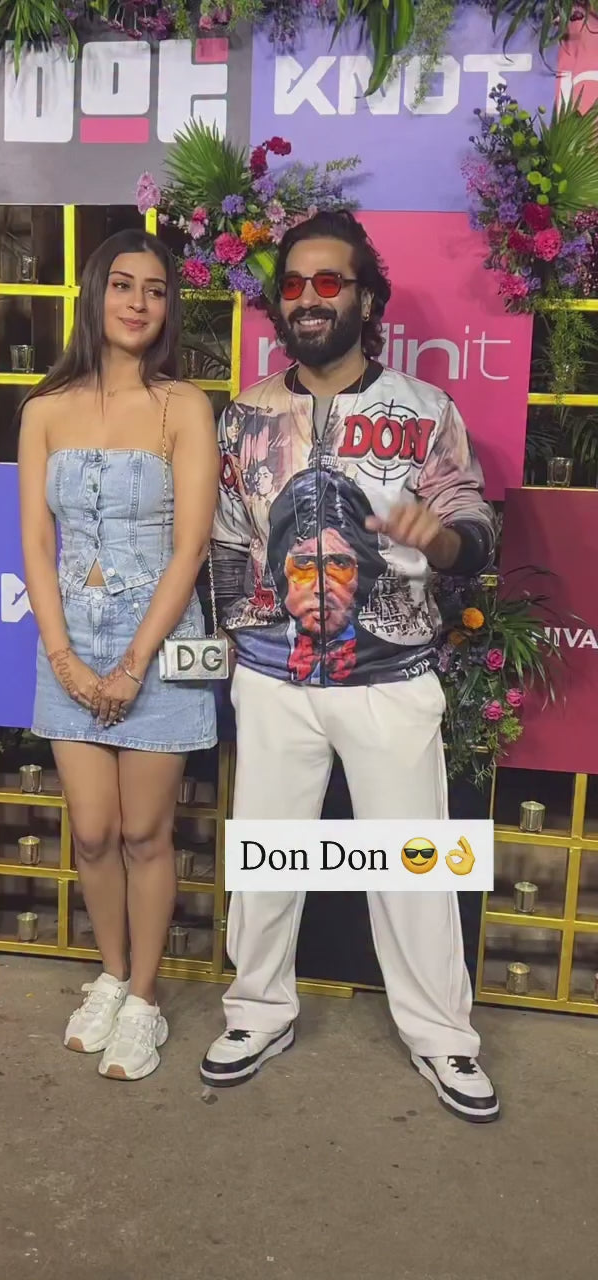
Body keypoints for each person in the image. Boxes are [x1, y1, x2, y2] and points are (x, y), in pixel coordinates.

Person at [201, 210, 500, 1123]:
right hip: (273, 676)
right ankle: (257, 1013)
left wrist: (440, 539)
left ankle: (442, 1036)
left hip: (391, 676)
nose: (309, 299)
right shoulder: (246, 413)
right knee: (265, 860)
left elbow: (472, 526)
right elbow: (227, 538)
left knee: (413, 864)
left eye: (329, 283)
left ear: (365, 299)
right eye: (293, 285)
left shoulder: (423, 411)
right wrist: (242, 648)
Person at [18, 229, 219, 1081]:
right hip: (70, 641)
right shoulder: (44, 409)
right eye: (123, 285)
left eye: (157, 290)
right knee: (95, 833)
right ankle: (108, 974)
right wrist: (62, 656)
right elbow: (37, 542)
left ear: (169, 308)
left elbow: (191, 548)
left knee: (144, 832)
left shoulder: (185, 406)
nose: (139, 302)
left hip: (157, 643)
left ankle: (143, 1000)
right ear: (95, 294)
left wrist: (134, 663)